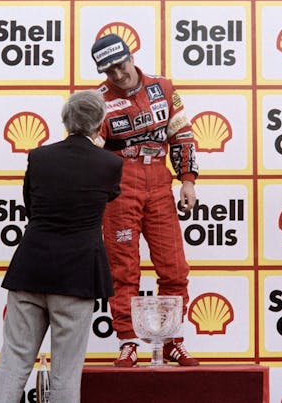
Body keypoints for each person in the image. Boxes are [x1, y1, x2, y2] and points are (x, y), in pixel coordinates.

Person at [0, 90, 123, 403]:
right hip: (76, 277)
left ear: (65, 120)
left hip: (30, 268)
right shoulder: (109, 164)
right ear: (100, 123)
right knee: (66, 372)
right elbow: (110, 195)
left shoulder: (39, 156)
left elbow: (31, 206)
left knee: (13, 362)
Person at [90, 33, 200, 367]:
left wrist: (188, 181)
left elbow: (182, 135)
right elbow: (89, 152)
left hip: (159, 185)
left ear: (131, 56)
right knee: (124, 270)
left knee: (174, 268)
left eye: (121, 65)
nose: (119, 75)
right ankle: (127, 341)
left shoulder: (164, 87)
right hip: (121, 189)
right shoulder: (99, 100)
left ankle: (173, 340)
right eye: (109, 71)